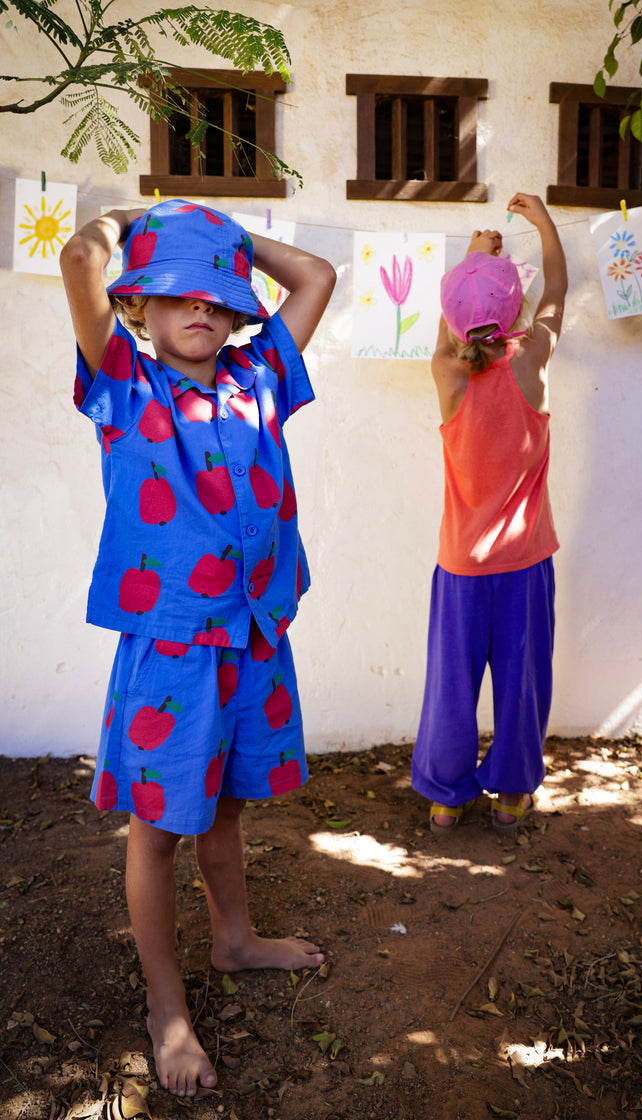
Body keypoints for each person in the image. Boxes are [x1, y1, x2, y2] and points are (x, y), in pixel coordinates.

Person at [59, 198, 336, 1097]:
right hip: (172, 650)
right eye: (178, 292)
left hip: (252, 635)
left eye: (218, 296)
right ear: (139, 303)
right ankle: (166, 1005)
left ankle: (234, 938)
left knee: (223, 808)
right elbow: (76, 266)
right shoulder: (122, 387)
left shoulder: (260, 377)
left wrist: (225, 238)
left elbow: (316, 277)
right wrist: (127, 221)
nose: (202, 309)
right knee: (158, 830)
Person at [410, 192, 568, 835]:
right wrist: (543, 224)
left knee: (451, 684)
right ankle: (510, 795)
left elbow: (455, 327)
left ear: (452, 319)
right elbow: (556, 288)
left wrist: (472, 260)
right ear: (517, 313)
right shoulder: (532, 362)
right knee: (522, 684)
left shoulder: (446, 372)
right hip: (525, 564)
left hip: (460, 568)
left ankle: (446, 800)